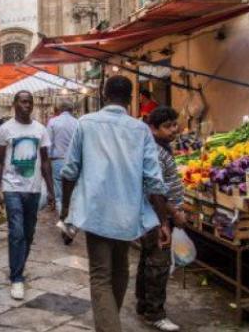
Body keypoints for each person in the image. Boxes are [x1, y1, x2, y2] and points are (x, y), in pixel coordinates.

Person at [60, 76, 170, 332]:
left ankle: (109, 325)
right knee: (120, 269)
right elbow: (154, 180)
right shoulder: (140, 129)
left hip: (95, 211)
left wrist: (67, 211)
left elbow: (69, 171)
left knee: (101, 275)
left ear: (103, 93)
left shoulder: (86, 123)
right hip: (127, 213)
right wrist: (163, 220)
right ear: (131, 97)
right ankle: (109, 321)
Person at [0, 91, 55, 301]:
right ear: (14, 104)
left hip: (34, 189)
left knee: (28, 233)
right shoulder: (5, 129)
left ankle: (19, 265)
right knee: (16, 232)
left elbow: (45, 161)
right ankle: (16, 277)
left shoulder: (40, 130)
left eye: (30, 102)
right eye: (23, 101)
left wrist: (52, 190)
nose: (27, 105)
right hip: (12, 188)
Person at [136, 106, 187, 332]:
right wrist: (171, 214)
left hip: (156, 215)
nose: (174, 130)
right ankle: (155, 313)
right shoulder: (155, 151)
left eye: (174, 124)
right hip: (155, 215)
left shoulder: (163, 147)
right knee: (158, 263)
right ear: (153, 128)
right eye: (167, 126)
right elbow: (153, 189)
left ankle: (143, 304)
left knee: (148, 260)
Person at [47, 100, 78, 215]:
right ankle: (70, 220)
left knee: (59, 194)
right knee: (73, 193)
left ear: (59, 110)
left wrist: (47, 161)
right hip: (73, 161)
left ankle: (63, 221)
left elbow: (48, 144)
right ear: (71, 110)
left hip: (58, 161)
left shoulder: (53, 122)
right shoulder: (77, 122)